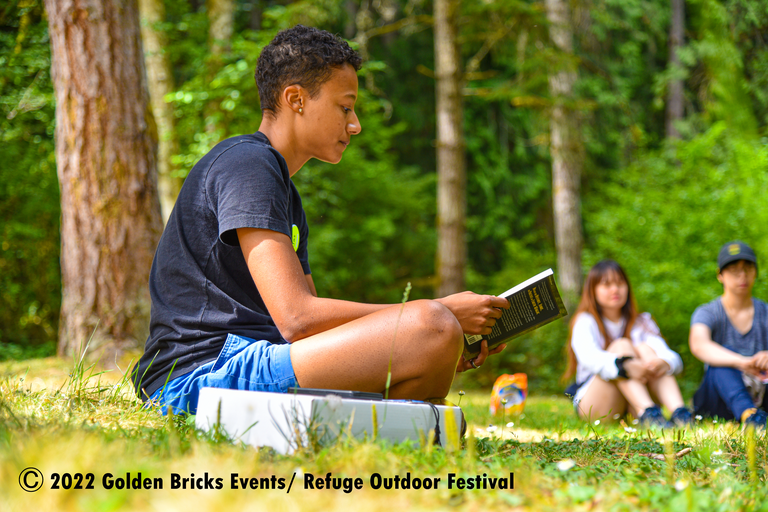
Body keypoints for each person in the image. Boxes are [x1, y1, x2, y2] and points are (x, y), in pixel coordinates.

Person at [131, 25, 509, 414]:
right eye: (345, 107)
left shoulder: (284, 191)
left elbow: (309, 325)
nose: (355, 124)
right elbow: (298, 318)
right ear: (295, 99)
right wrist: (437, 313)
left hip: (255, 364)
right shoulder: (247, 164)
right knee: (431, 323)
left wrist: (419, 349)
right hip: (197, 377)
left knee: (432, 337)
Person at [563, 260, 691, 427]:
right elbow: (589, 358)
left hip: (632, 406)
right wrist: (625, 366)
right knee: (621, 346)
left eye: (620, 283)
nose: (615, 289)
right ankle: (650, 415)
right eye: (606, 284)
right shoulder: (585, 321)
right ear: (592, 291)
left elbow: (671, 357)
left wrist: (664, 363)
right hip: (598, 405)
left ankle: (680, 414)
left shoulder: (642, 321)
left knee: (645, 349)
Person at [689, 241, 768, 428]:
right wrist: (742, 362)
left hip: (761, 393)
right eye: (734, 269)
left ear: (755, 272)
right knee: (720, 361)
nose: (742, 275)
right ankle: (750, 416)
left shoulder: (765, 312)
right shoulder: (708, 312)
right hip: (716, 401)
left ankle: (754, 416)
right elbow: (699, 345)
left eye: (747, 268)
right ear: (720, 275)